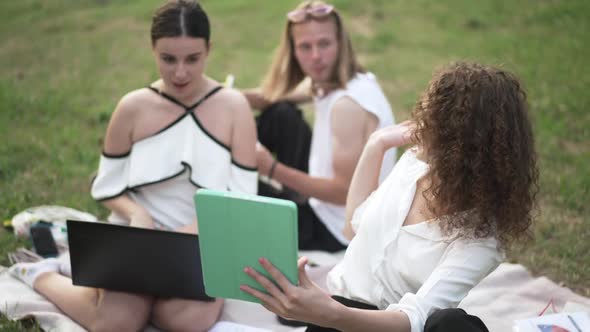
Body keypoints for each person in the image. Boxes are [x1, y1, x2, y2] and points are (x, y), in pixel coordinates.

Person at [9, 1, 257, 331]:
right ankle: (38, 274)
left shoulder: (234, 107)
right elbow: (107, 186)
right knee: (116, 323)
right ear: (153, 49)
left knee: (188, 322)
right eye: (168, 59)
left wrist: (194, 229)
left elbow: (243, 195)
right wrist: (138, 215)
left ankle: (146, 301)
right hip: (136, 236)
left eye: (192, 59)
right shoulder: (132, 107)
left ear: (209, 50)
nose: (180, 72)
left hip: (205, 237)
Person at [240, 62, 539, 332]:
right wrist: (376, 144)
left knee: (452, 324)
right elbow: (354, 225)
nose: (421, 122)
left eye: (433, 117)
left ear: (459, 143)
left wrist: (330, 312)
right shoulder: (413, 165)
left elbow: (414, 318)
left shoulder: (481, 237)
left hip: (382, 325)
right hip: (337, 315)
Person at [243, 0, 396, 253]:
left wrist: (271, 168)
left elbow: (343, 193)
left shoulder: (348, 105)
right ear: (293, 50)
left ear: (340, 43)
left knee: (236, 191)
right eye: (305, 46)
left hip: (336, 229)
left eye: (324, 44)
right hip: (324, 203)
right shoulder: (343, 81)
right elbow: (277, 95)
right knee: (281, 114)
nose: (315, 56)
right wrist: (224, 98)